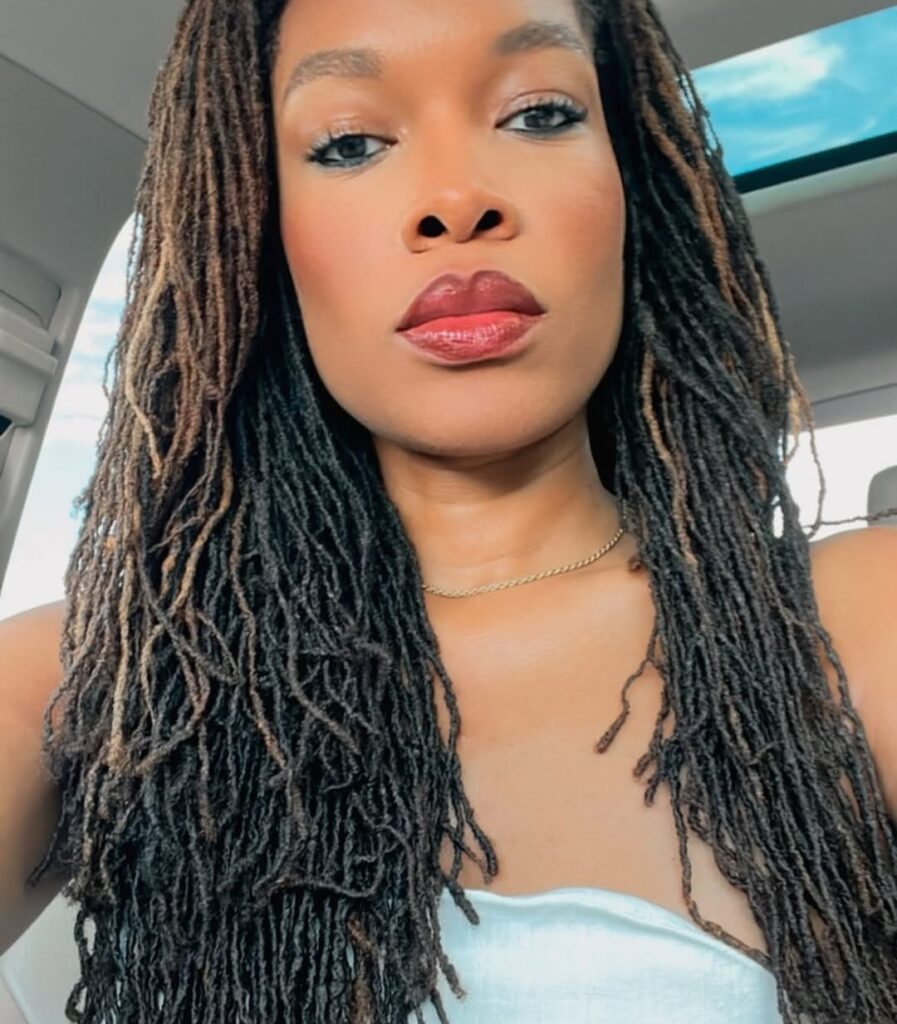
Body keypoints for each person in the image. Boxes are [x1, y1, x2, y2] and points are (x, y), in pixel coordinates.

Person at [1, 0, 896, 1020]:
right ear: (262, 234)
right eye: (347, 142)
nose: (456, 199)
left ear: (629, 183)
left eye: (540, 113)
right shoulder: (114, 674)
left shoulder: (851, 622)